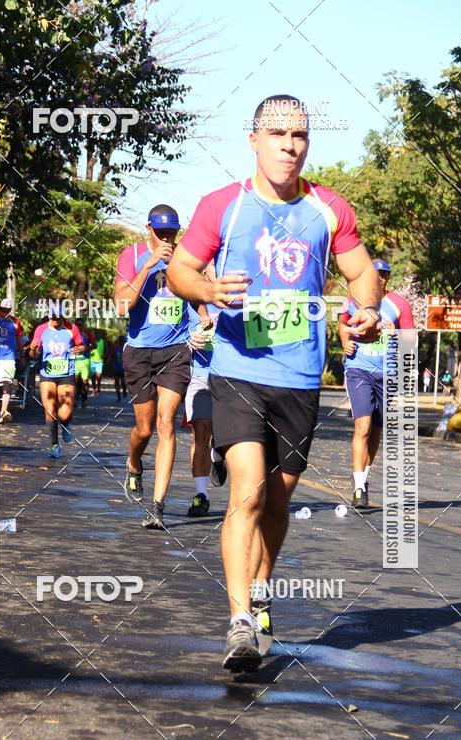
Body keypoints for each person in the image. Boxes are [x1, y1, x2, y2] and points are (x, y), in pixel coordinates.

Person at [166, 94, 381, 672]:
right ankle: (239, 623)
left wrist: (368, 310)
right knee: (248, 491)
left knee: (279, 499)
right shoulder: (223, 207)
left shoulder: (329, 208)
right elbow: (179, 270)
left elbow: (361, 273)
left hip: (301, 376)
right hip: (238, 371)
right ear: (254, 140)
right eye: (279, 134)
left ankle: (263, 588)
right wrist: (207, 291)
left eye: (301, 136)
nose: (290, 146)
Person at [114, 204, 191, 530]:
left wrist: (204, 315)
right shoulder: (130, 256)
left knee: (166, 424)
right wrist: (147, 267)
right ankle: (134, 463)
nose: (166, 238)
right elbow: (121, 307)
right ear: (148, 229)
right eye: (160, 232)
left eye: (171, 232)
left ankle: (158, 507)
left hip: (175, 350)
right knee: (144, 429)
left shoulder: (186, 258)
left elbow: (198, 293)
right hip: (140, 351)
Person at [338, 258, 415, 509]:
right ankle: (358, 486)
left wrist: (394, 332)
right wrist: (345, 341)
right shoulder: (353, 300)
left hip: (387, 374)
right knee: (363, 425)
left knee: (376, 430)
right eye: (376, 274)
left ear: (388, 279)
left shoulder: (399, 304)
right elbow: (342, 324)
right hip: (358, 369)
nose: (380, 278)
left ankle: (365, 478)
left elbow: (410, 341)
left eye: (384, 275)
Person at [185, 303, 227, 517]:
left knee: (224, 434)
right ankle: (201, 495)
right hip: (199, 376)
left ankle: (217, 455)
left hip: (231, 378)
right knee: (201, 430)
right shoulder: (188, 298)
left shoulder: (235, 293)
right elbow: (171, 335)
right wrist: (188, 342)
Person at [28, 305, 84, 457]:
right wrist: (33, 349)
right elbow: (33, 355)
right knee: (50, 411)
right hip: (47, 374)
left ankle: (65, 424)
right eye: (53, 318)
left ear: (63, 317)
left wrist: (80, 349)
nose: (55, 322)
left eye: (58, 319)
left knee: (64, 414)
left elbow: (82, 345)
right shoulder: (41, 329)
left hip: (67, 373)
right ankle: (54, 445)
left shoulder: (72, 328)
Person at [0, 298, 25, 424]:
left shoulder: (15, 322)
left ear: (10, 310)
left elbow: (19, 340)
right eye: (2, 310)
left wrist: (22, 355)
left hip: (9, 358)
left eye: (7, 310)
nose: (4, 312)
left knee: (7, 384)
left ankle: (3, 411)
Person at [74, 318, 91, 407]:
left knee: (84, 381)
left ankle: (84, 398)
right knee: (75, 381)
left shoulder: (87, 334)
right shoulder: (71, 334)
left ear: (83, 326)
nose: (78, 326)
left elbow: (94, 345)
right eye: (76, 324)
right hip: (75, 361)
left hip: (85, 360)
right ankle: (74, 399)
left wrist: (85, 348)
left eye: (80, 325)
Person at [89, 329, 106, 396]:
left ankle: (98, 387)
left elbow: (107, 350)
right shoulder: (91, 342)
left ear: (100, 335)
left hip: (99, 362)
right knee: (93, 377)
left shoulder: (103, 341)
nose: (97, 335)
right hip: (92, 361)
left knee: (98, 376)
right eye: (95, 334)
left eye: (98, 334)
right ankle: (94, 390)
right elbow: (88, 349)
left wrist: (104, 356)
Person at [112, 334, 127, 402]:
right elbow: (112, 355)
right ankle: (118, 397)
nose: (121, 342)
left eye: (122, 341)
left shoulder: (126, 349)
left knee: (123, 383)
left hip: (123, 368)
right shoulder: (115, 348)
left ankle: (124, 390)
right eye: (120, 341)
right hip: (116, 367)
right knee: (117, 382)